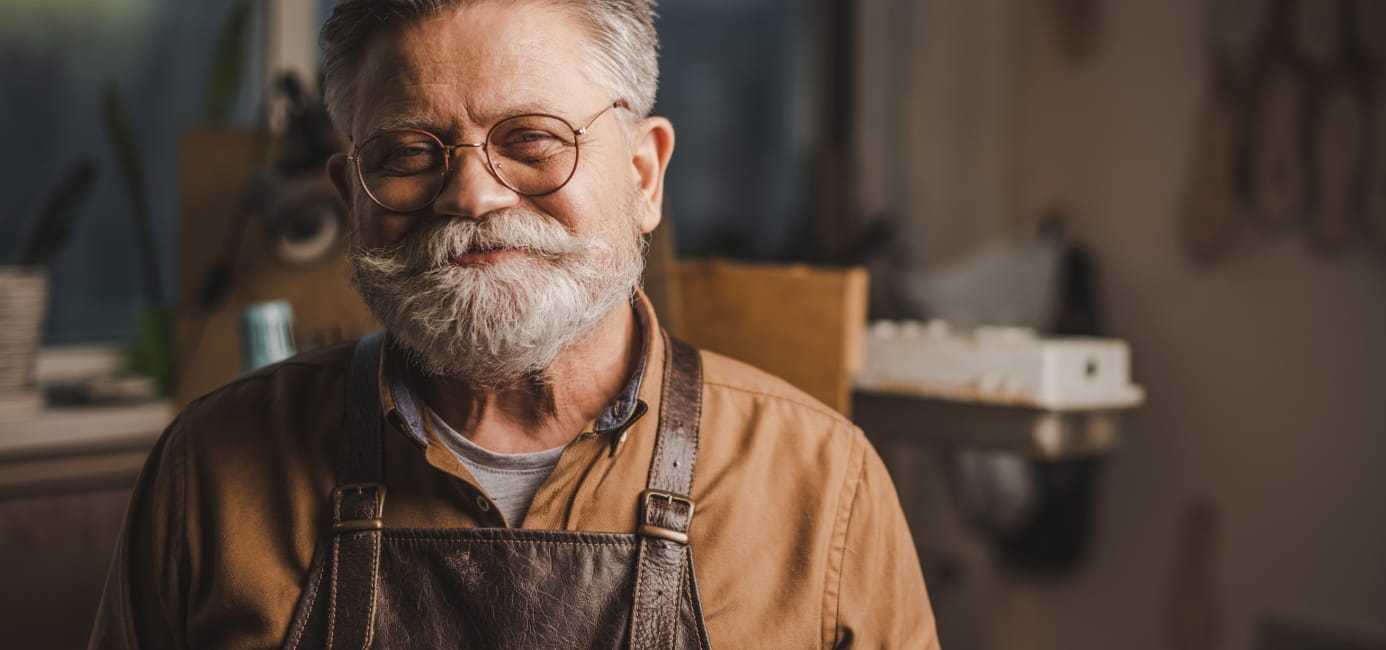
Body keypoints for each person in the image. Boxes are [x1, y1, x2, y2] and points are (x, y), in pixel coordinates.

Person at [89, 0, 938, 647]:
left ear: (645, 176)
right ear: (351, 198)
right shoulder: (208, 468)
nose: (472, 194)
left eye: (532, 140)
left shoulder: (824, 486)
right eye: (410, 153)